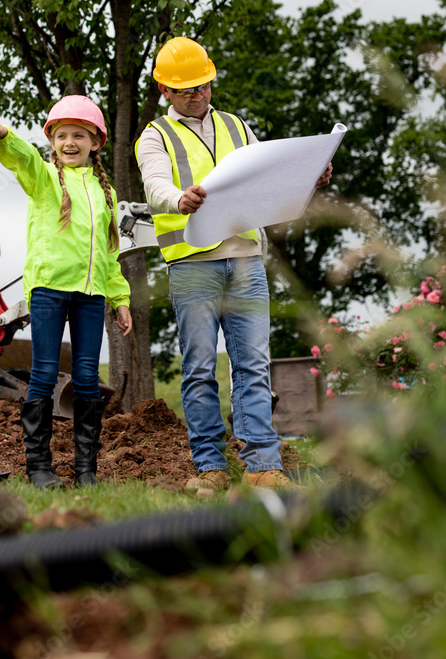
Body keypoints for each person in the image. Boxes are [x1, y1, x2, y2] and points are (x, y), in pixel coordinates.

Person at [135, 37, 333, 495]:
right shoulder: (155, 135)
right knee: (200, 367)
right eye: (187, 89)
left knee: (253, 365)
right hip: (192, 265)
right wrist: (178, 199)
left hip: (245, 262)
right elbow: (155, 185)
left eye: (204, 85)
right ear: (165, 90)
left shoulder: (236, 125)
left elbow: (271, 175)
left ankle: (263, 463)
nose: (198, 94)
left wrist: (310, 177)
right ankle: (210, 467)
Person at [0, 96, 132, 489]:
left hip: (92, 294)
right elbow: (23, 161)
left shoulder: (106, 193)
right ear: (52, 142)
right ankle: (40, 469)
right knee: (44, 374)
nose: (69, 142)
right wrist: (4, 139)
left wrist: (120, 298)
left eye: (79, 135)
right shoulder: (45, 177)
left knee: (85, 377)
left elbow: (111, 254)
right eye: (61, 135)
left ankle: (86, 472)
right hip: (48, 289)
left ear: (95, 141)